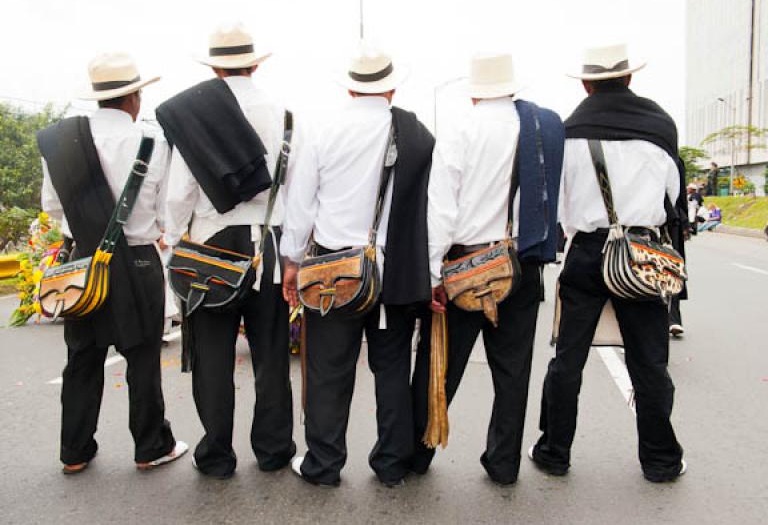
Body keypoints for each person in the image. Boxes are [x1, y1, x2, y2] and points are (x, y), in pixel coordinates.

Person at [529, 43, 686, 483]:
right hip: (642, 255)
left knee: (567, 359)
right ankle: (660, 461)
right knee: (649, 362)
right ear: (630, 78)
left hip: (586, 253)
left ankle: (554, 451)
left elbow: (558, 206)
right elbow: (672, 198)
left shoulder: (569, 130)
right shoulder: (659, 128)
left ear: (585, 83)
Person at [281, 43, 434, 488]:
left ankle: (324, 465)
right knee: (390, 370)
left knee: (329, 371)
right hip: (393, 272)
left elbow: (301, 204)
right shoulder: (416, 133)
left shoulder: (322, 128)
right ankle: (391, 464)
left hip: (332, 271)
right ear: (391, 86)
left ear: (350, 86)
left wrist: (292, 263)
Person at [409, 53, 564, 485]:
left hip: (464, 264)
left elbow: (441, 206)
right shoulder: (541, 128)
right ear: (512, 88)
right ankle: (503, 464)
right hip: (520, 262)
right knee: (513, 372)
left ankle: (416, 454)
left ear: (474, 90)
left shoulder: (461, 127)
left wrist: (433, 275)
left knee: (439, 365)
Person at [157, 23, 298, 479]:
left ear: (214, 66)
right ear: (255, 62)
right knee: (272, 353)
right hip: (270, 242)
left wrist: (177, 237)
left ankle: (217, 455)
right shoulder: (284, 115)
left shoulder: (198, 113)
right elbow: (295, 186)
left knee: (213, 356)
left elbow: (180, 190)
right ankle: (274, 450)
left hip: (212, 245)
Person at [39, 52, 187, 474]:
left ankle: (75, 452)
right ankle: (150, 447)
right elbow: (165, 213)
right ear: (134, 97)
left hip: (80, 260)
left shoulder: (60, 141)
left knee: (82, 358)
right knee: (141, 360)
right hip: (138, 262)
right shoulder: (153, 145)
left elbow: (51, 207)